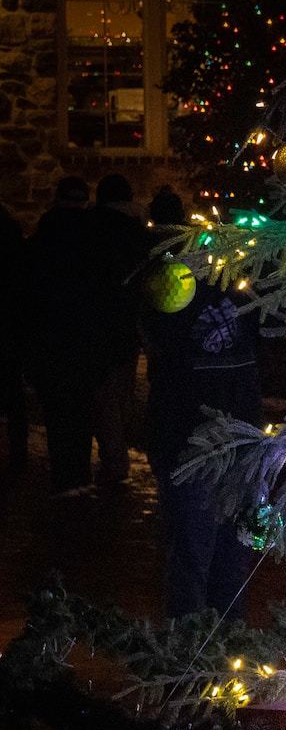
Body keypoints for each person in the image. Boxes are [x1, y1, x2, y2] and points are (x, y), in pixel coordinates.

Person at [143, 188, 262, 617]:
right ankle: (194, 660)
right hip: (192, 445)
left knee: (223, 559)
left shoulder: (245, 296)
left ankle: (219, 655)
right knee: (199, 559)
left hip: (230, 444)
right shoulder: (170, 299)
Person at [26, 176, 107, 497]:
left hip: (52, 337)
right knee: (81, 407)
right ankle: (80, 472)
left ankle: (65, 475)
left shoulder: (45, 236)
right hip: (83, 337)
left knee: (59, 410)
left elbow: (30, 291)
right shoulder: (93, 238)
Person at [91, 173, 150, 489]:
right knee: (120, 391)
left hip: (100, 321)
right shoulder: (137, 232)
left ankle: (115, 458)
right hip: (127, 321)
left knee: (105, 393)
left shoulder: (92, 228)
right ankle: (117, 454)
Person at [0, 203, 27, 471]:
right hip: (11, 326)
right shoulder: (15, 245)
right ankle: (19, 453)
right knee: (13, 393)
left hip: (9, 324)